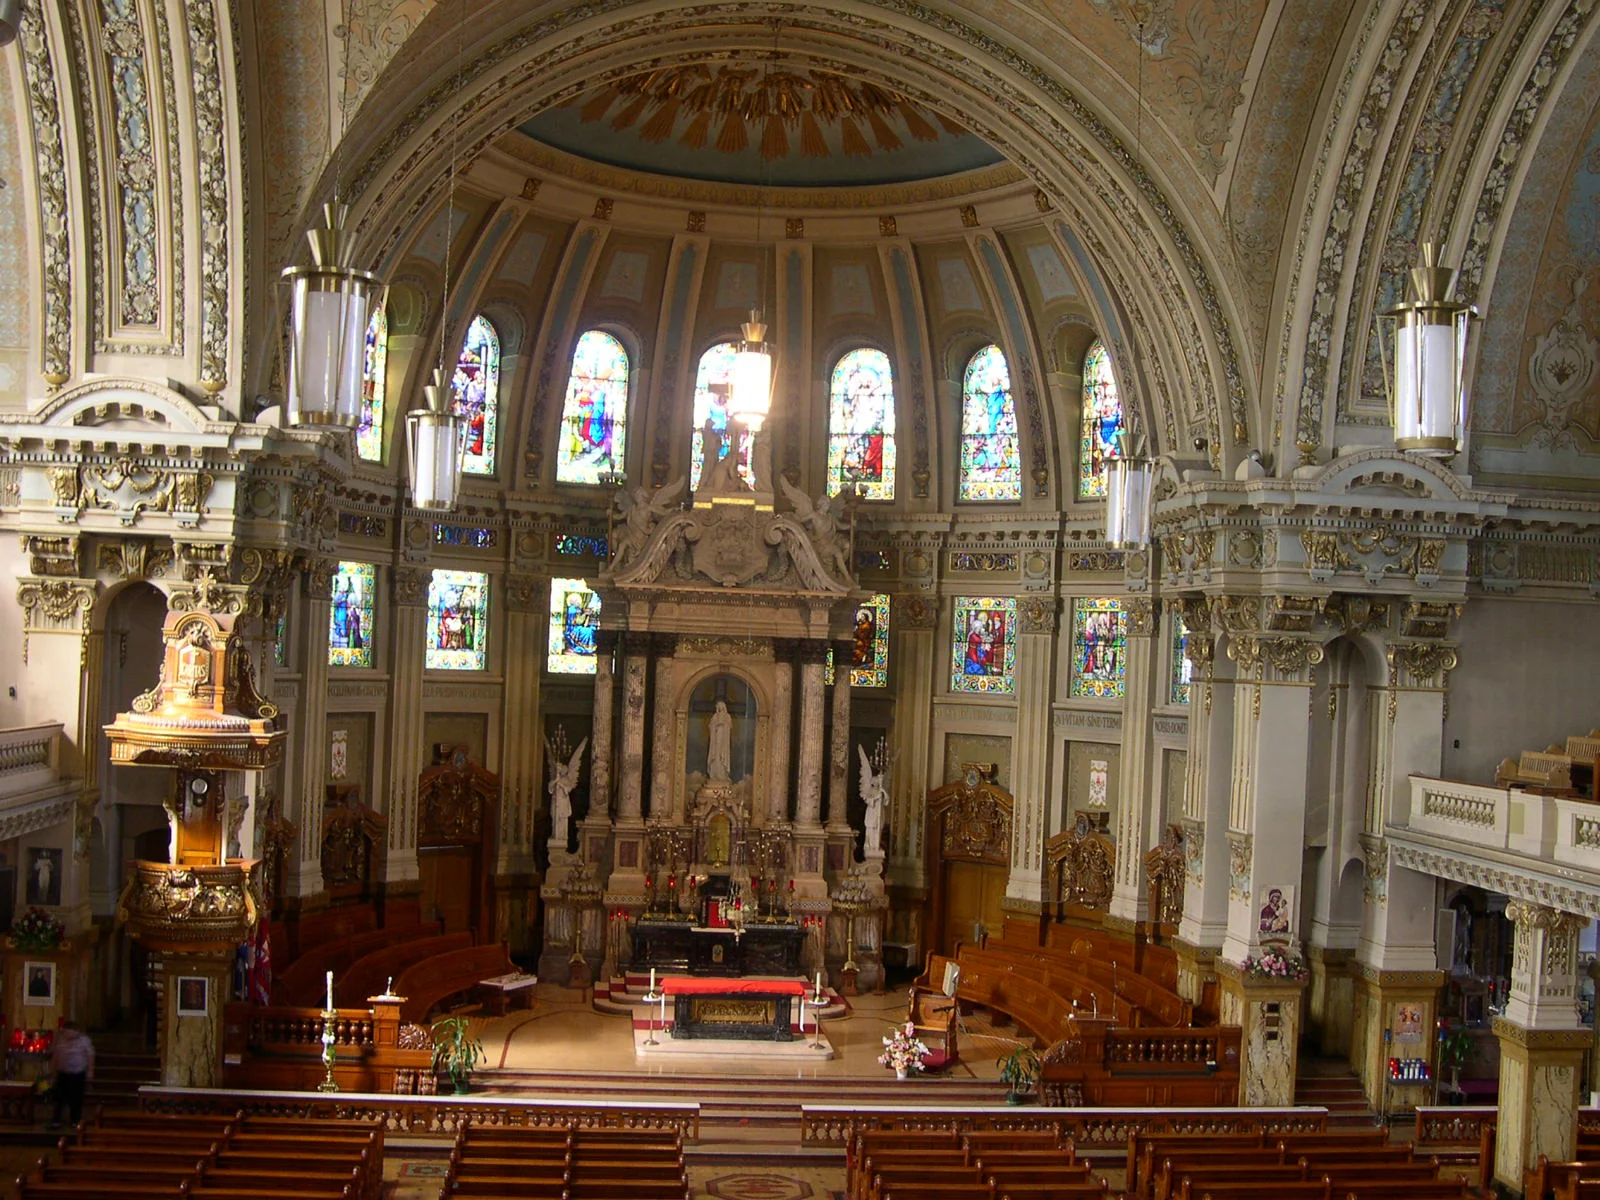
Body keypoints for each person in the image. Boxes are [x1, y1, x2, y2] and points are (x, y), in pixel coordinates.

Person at [48, 1022, 93, 1130]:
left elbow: (90, 1055)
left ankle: (75, 1120)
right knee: (59, 1098)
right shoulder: (60, 1040)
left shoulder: (84, 1041)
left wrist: (90, 1071)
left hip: (78, 1073)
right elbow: (56, 1055)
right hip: (63, 1072)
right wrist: (52, 1072)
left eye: (70, 1031)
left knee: (76, 1099)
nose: (68, 1034)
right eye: (66, 1031)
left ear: (75, 1031)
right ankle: (56, 1120)